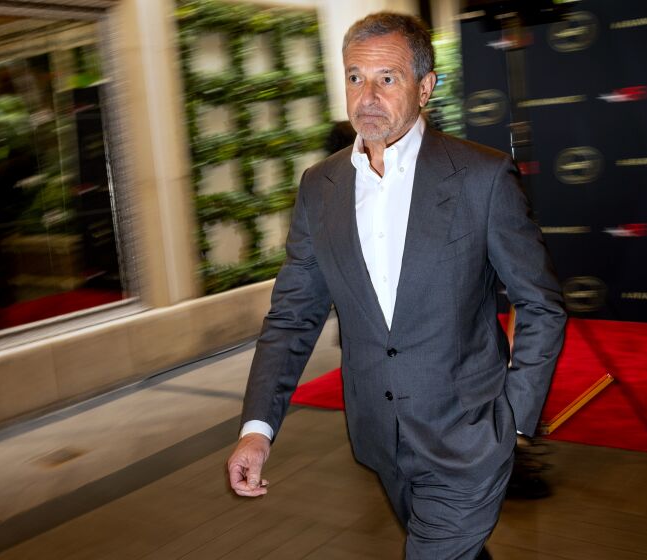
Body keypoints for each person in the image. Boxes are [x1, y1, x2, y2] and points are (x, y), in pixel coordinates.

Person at [227, 12, 566, 559]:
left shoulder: (482, 177)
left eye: (387, 78)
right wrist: (257, 429)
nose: (367, 96)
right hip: (380, 440)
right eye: (355, 77)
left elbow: (541, 305)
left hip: (470, 439)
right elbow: (293, 317)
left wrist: (514, 423)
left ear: (425, 87)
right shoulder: (320, 186)